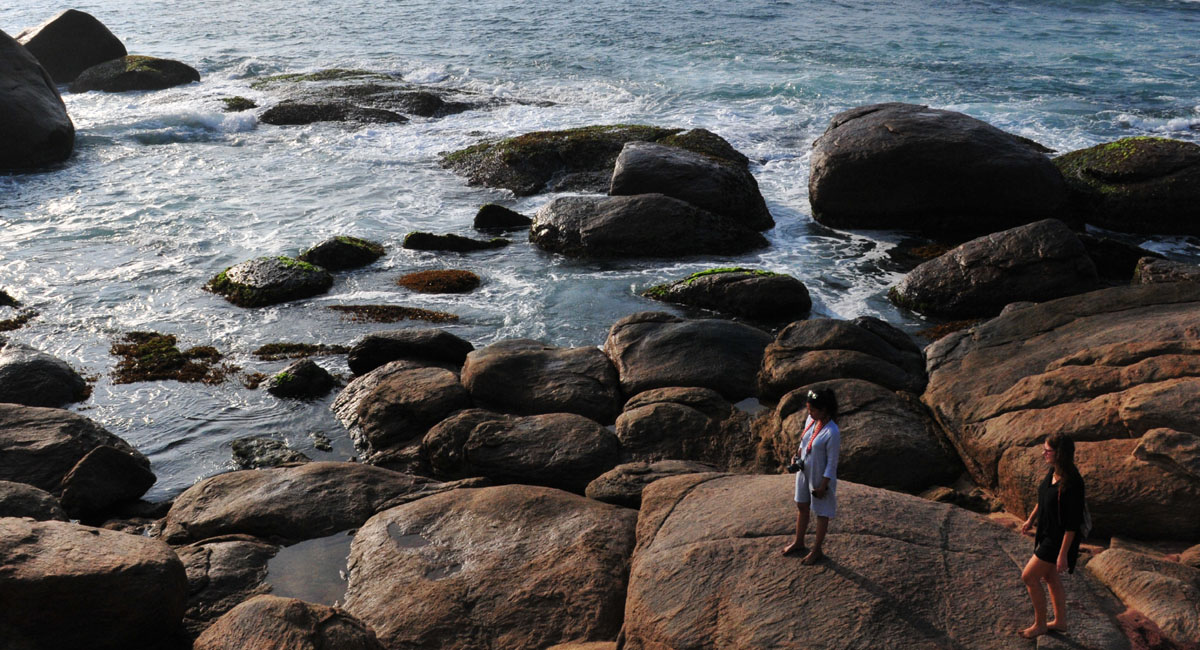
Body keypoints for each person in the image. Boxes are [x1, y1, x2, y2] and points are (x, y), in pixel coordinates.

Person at [1017, 433, 1085, 639]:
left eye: (1048, 450)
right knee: (1050, 577)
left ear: (1060, 454)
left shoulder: (1073, 483)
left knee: (1029, 576)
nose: (1044, 453)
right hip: (1045, 532)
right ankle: (1060, 621)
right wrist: (1030, 520)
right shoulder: (1053, 472)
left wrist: (1063, 555)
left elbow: (1072, 525)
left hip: (1057, 540)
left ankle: (1040, 625)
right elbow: (1043, 497)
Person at [781, 387, 840, 565]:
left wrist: (823, 485)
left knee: (821, 513)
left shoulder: (832, 432)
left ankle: (817, 550)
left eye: (813, 410)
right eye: (809, 409)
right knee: (801, 505)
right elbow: (804, 441)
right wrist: (796, 455)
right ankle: (799, 542)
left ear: (825, 410)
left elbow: (832, 462)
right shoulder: (811, 420)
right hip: (804, 470)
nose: (810, 413)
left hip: (820, 477)